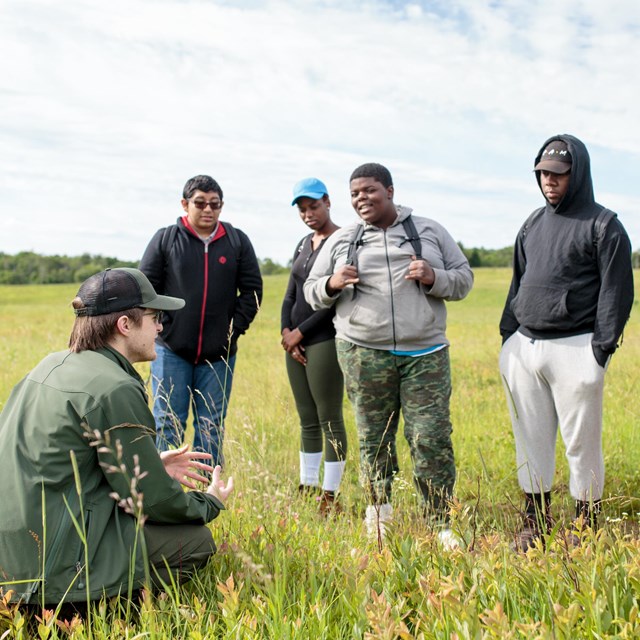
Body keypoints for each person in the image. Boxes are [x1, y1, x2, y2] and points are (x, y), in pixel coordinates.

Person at [0, 268, 234, 606]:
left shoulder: (50, 365)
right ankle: (94, 608)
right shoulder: (115, 387)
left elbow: (66, 465)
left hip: (13, 556)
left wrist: (153, 464)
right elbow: (153, 502)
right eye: (154, 317)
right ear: (124, 325)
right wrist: (210, 502)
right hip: (49, 573)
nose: (159, 327)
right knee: (195, 542)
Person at [304, 163, 473, 546]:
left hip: (425, 353)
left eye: (369, 191)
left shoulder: (428, 231)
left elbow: (464, 279)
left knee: (430, 436)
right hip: (364, 353)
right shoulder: (343, 239)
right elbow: (311, 290)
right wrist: (332, 283)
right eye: (354, 194)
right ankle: (379, 515)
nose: (361, 199)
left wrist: (434, 277)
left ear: (390, 191)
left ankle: (441, 523)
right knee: (373, 438)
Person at [499, 134, 634, 551]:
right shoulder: (532, 224)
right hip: (525, 348)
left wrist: (601, 351)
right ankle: (535, 523)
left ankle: (585, 527)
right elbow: (517, 282)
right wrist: (508, 338)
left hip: (577, 348)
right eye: (542, 173)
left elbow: (617, 291)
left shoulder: (604, 224)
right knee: (530, 439)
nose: (549, 181)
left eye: (558, 173)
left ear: (578, 173)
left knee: (580, 445)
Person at [139, 175, 263, 466]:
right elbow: (146, 288)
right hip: (170, 350)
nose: (208, 210)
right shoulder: (166, 238)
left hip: (219, 355)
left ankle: (206, 492)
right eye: (200, 203)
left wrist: (234, 329)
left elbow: (252, 290)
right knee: (168, 421)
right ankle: (165, 492)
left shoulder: (236, 240)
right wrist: (160, 327)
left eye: (215, 204)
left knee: (211, 427)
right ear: (185, 204)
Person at [281, 178, 347, 515]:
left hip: (323, 339)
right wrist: (285, 332)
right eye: (302, 209)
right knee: (307, 418)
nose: (308, 214)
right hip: (295, 341)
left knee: (329, 417)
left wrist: (300, 334)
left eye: (314, 207)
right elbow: (291, 292)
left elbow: (334, 301)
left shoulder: (342, 241)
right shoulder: (303, 244)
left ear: (327, 202)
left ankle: (331, 494)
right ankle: (307, 485)